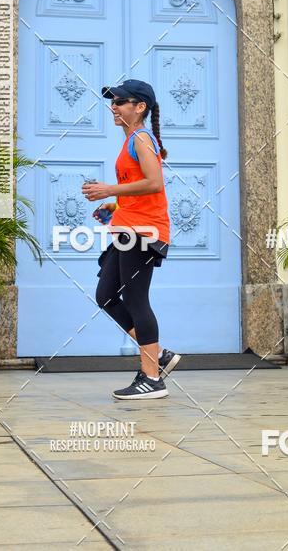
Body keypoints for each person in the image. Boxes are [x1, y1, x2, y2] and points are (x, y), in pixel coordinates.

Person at [82, 79, 181, 400]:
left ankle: (152, 379)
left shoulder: (140, 138)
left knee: (137, 300)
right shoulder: (131, 141)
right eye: (112, 102)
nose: (114, 107)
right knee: (106, 295)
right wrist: (112, 206)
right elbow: (140, 188)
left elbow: (154, 183)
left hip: (145, 232)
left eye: (121, 101)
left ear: (140, 107)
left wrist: (109, 189)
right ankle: (159, 355)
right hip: (128, 229)